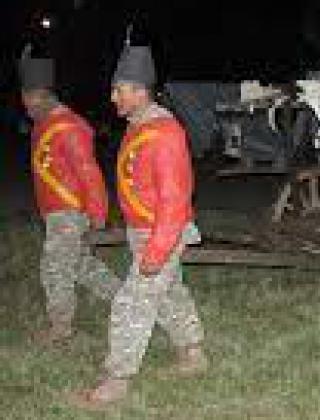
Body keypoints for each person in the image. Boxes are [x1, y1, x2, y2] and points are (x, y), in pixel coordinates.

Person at [70, 41, 206, 409]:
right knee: (169, 293)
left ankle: (117, 380)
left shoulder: (163, 132)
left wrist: (157, 250)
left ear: (139, 90)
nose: (113, 97)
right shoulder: (139, 124)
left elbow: (175, 200)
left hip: (162, 232)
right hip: (144, 230)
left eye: (119, 89)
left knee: (131, 303)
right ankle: (193, 354)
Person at [18, 44, 120, 346]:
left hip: (69, 211)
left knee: (55, 267)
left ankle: (60, 327)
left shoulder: (69, 126)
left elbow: (89, 173)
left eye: (28, 99)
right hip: (56, 211)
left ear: (42, 96)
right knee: (80, 265)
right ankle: (125, 300)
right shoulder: (45, 123)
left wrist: (98, 212)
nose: (25, 106)